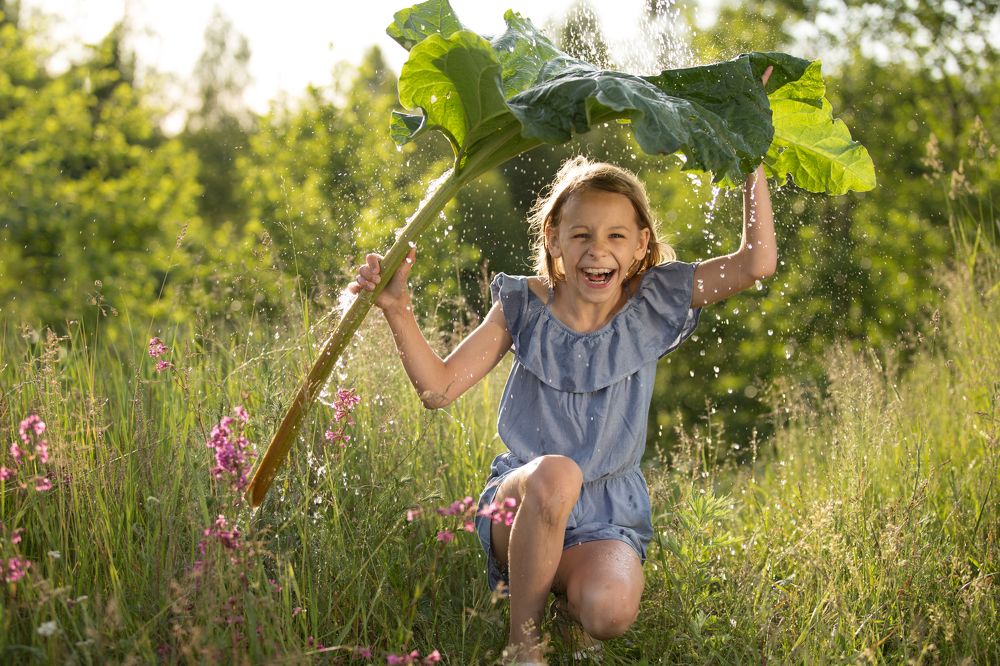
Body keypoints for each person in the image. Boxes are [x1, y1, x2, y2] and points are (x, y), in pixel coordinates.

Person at [349, 68, 776, 665]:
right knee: (556, 476)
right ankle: (523, 644)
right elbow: (439, 388)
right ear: (553, 239)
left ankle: (557, 593)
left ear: (640, 248)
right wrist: (396, 308)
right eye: (580, 235)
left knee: (610, 611)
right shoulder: (522, 303)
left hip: (607, 516)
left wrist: (749, 149)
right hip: (522, 499)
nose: (597, 250)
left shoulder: (652, 303)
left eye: (616, 236)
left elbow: (755, 264)